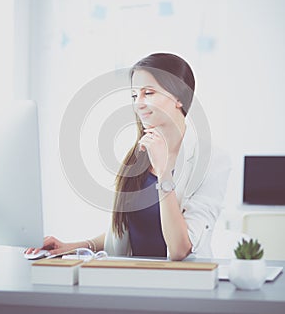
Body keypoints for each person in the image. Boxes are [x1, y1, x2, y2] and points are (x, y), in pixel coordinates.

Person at [26, 52, 231, 261]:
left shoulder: (212, 160)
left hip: (181, 284)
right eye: (135, 96)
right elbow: (126, 235)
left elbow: (181, 249)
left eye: (148, 93)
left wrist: (164, 174)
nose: (138, 103)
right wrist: (72, 247)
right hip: (130, 278)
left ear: (179, 97)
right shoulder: (138, 154)